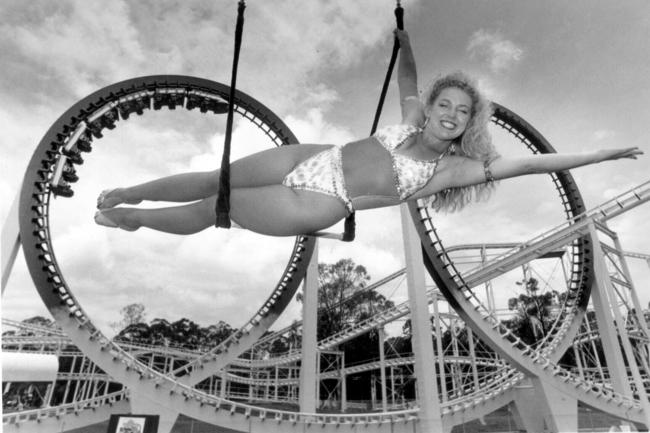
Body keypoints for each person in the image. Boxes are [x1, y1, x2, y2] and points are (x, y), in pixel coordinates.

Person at [94, 30, 642, 237]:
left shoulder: (452, 168)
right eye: (444, 104)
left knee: (218, 206)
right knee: (215, 178)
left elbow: (529, 164)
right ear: (430, 110)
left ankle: (135, 219)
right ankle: (131, 190)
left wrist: (601, 154)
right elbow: (409, 77)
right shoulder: (409, 116)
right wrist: (405, 43)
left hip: (322, 200)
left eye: (462, 112)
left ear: (468, 124)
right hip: (311, 157)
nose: (450, 114)